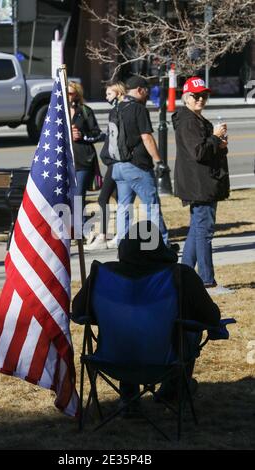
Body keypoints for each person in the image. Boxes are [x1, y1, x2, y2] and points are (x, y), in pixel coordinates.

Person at [72, 220, 221, 410]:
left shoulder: (105, 275)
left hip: (113, 359)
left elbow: (78, 312)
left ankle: (129, 398)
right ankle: (174, 389)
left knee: (128, 326)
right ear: (159, 248)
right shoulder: (180, 276)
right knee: (189, 330)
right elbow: (211, 318)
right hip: (166, 361)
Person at [172, 76, 231, 294]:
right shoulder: (188, 121)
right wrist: (215, 138)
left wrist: (220, 143)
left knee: (197, 230)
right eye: (195, 96)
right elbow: (198, 152)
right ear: (186, 98)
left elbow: (204, 149)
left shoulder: (195, 119)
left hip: (201, 182)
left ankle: (183, 275)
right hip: (199, 184)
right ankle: (207, 281)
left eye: (203, 96)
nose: (200, 100)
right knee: (204, 231)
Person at [110, 75, 171, 247]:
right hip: (137, 166)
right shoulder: (138, 109)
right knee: (152, 206)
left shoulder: (116, 108)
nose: (147, 95)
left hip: (118, 166)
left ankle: (123, 247)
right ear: (140, 90)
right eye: (147, 91)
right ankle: (161, 246)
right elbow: (147, 138)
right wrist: (159, 161)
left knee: (124, 208)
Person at [85, 81, 126, 251]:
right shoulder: (115, 111)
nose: (106, 97)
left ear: (118, 93)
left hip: (115, 162)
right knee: (120, 198)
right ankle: (122, 234)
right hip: (113, 161)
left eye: (109, 94)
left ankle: (103, 235)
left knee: (103, 199)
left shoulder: (119, 111)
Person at [68, 81, 102, 237]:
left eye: (71, 93)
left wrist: (82, 136)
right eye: (66, 93)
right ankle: (69, 228)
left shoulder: (85, 111)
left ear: (77, 94)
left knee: (78, 195)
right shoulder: (58, 112)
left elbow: (97, 133)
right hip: (64, 160)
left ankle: (80, 230)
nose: (68, 96)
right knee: (66, 196)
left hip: (83, 160)